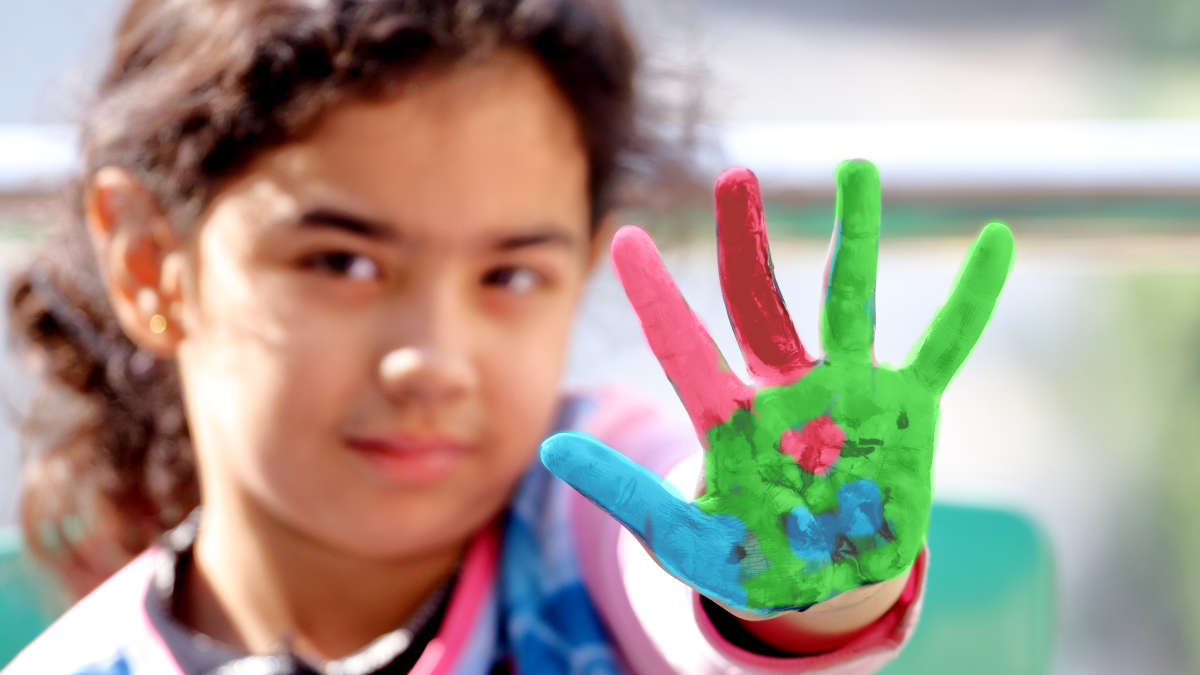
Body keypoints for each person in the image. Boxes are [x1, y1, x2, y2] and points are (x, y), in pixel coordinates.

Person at [0, 0, 994, 672]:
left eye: (511, 275)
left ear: (586, 267)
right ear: (150, 263)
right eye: (342, 262)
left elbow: (699, 582)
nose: (433, 361)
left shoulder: (594, 517)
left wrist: (807, 584)